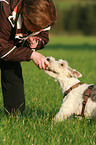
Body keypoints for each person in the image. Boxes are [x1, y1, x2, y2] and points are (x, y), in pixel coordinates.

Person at [0, 0, 57, 114]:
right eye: (36, 29)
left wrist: (36, 41)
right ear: (26, 17)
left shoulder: (45, 13)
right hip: (3, 43)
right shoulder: (4, 8)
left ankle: (14, 119)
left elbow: (43, 37)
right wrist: (30, 54)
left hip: (10, 46)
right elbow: (2, 49)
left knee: (12, 71)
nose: (39, 31)